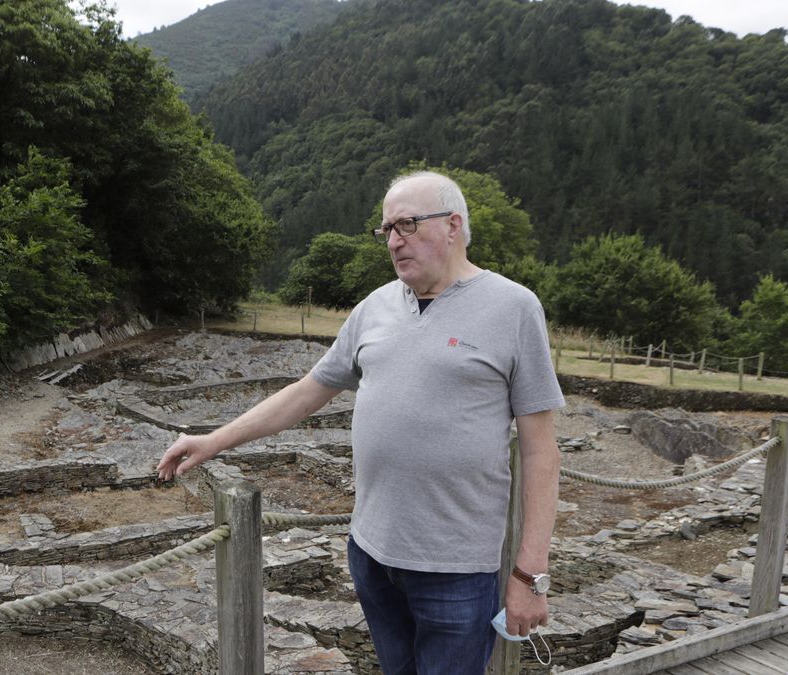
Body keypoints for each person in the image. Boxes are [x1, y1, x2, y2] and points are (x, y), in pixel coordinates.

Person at [156, 170, 563, 674]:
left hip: (455, 569)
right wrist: (214, 441)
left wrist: (530, 575)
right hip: (371, 554)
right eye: (387, 229)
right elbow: (307, 393)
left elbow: (541, 450)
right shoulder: (375, 306)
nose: (394, 241)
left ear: (454, 225)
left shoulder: (514, 308)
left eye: (407, 225)